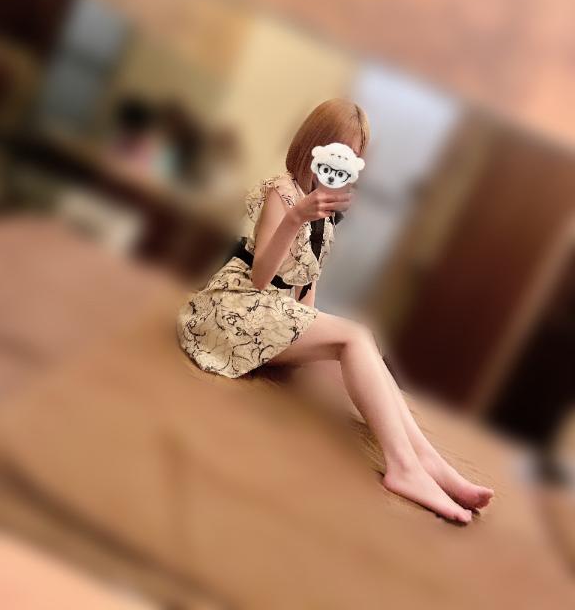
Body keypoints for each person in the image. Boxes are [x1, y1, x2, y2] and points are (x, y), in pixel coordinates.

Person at [177, 98, 494, 523]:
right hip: (238, 306)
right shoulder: (282, 192)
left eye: (355, 155)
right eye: (340, 149)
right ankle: (403, 467)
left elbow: (306, 291)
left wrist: (319, 345)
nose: (345, 162)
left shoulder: (325, 211)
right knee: (356, 335)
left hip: (272, 313)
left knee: (360, 341)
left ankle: (427, 459)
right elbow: (261, 277)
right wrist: (295, 218)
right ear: (316, 145)